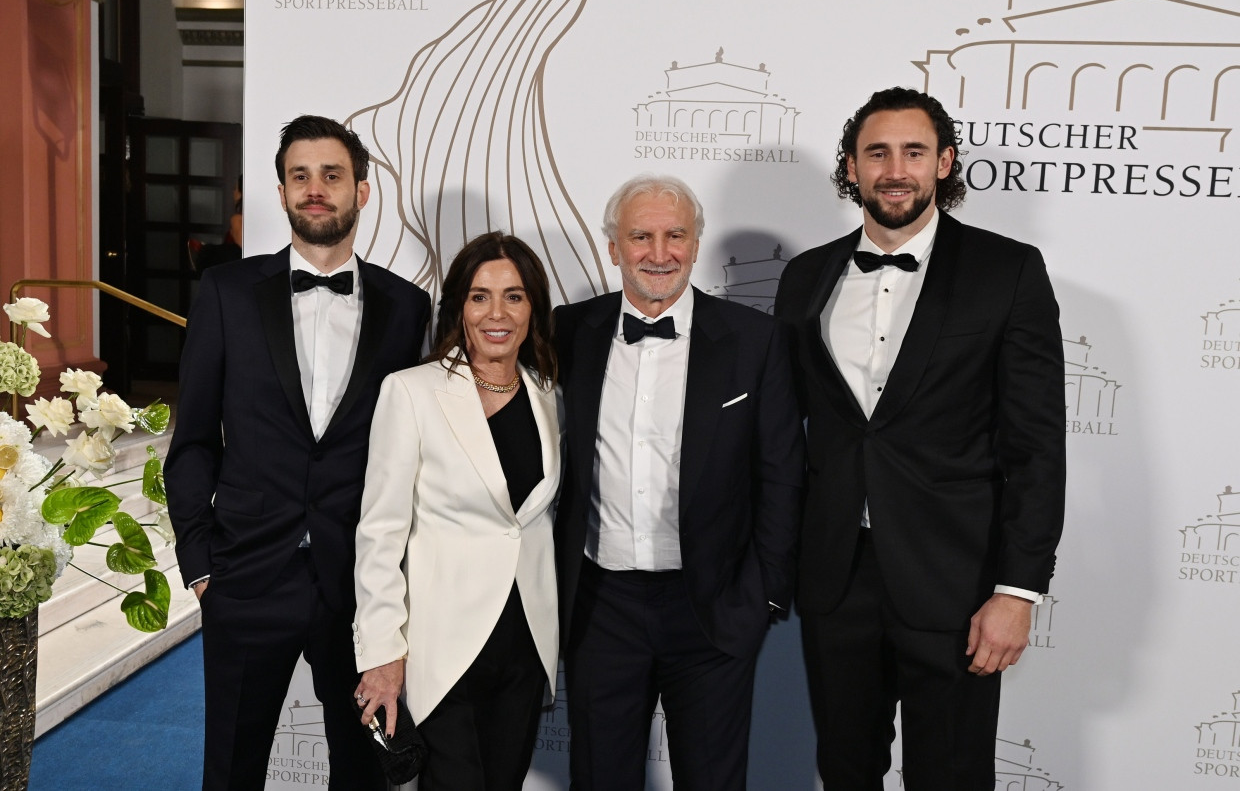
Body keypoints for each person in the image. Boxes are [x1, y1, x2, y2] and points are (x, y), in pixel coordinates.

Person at [774, 87, 1066, 790]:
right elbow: (783, 433)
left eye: (913, 151)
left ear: (945, 163)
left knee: (952, 775)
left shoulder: (1007, 270)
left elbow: (1036, 444)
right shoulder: (806, 276)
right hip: (836, 575)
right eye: (877, 153)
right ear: (851, 167)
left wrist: (1018, 589)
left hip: (957, 579)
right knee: (845, 769)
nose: (895, 169)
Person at [165, 114, 432, 790]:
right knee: (230, 770)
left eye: (333, 176)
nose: (316, 190)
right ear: (280, 192)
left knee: (365, 775)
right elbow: (192, 439)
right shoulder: (227, 293)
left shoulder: (408, 309)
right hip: (246, 574)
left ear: (363, 192)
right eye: (300, 176)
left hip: (359, 588)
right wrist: (200, 564)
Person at [554, 175, 804, 790]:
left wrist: (764, 595)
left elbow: (782, 474)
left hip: (712, 605)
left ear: (696, 245)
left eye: (675, 236)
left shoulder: (754, 340)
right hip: (599, 607)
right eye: (640, 236)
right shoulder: (567, 332)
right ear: (613, 247)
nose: (658, 253)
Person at [353, 231, 562, 791]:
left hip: (525, 643)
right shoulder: (412, 393)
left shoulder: (551, 395)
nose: (497, 313)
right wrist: (382, 653)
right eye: (480, 296)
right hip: (440, 649)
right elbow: (379, 533)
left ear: (533, 307)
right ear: (459, 308)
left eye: (514, 296)